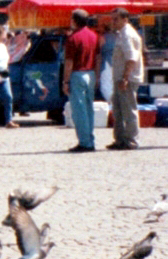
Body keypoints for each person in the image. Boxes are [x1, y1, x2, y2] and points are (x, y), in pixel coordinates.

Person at [61, 10, 100, 152]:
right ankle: (90, 138)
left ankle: (85, 142)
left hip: (77, 74)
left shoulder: (73, 38)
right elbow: (98, 58)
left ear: (74, 21)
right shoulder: (94, 36)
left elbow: (69, 62)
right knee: (89, 109)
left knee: (79, 111)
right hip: (90, 73)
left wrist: (65, 81)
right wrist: (97, 76)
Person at [107, 8, 144, 150]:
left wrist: (125, 78)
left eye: (116, 19)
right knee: (118, 110)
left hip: (127, 79)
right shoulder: (121, 34)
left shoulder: (128, 34)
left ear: (125, 19)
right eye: (112, 18)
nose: (113, 21)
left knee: (129, 110)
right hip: (119, 77)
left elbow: (131, 59)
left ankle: (132, 140)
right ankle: (120, 139)